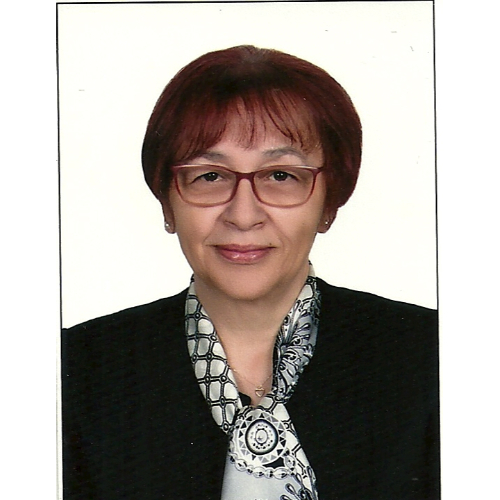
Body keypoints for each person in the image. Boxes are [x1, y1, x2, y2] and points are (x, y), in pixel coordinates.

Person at [61, 45, 439, 500]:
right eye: (209, 176)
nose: (243, 215)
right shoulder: (71, 371)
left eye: (281, 176)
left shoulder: (437, 357)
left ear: (330, 202)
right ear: (167, 203)